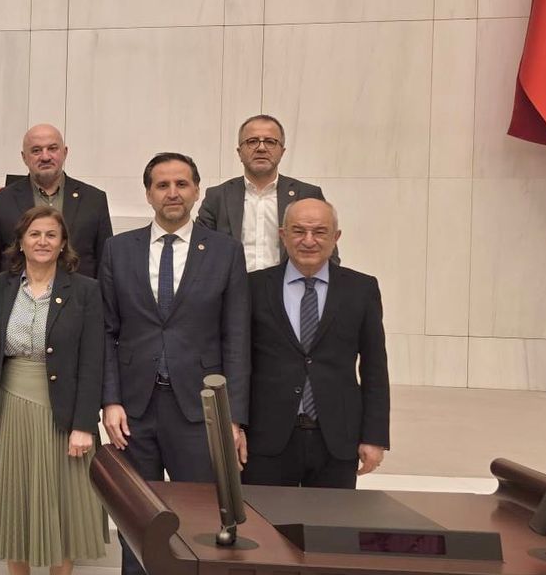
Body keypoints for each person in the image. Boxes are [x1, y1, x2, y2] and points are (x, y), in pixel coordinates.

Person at [99, 153, 250, 575]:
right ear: (148, 193)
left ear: (197, 190)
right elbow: (106, 332)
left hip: (200, 412)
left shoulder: (225, 252)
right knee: (136, 521)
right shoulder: (118, 250)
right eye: (162, 185)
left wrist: (233, 417)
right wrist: (110, 400)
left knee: (200, 521)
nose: (172, 193)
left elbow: (236, 338)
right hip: (134, 410)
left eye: (181, 184)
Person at [0, 206, 108, 575]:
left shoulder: (85, 290)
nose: (42, 241)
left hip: (63, 415)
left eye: (51, 235)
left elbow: (93, 360)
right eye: (34, 234)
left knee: (61, 507)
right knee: (16, 503)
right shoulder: (0, 286)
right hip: (12, 409)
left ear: (63, 243)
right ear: (20, 241)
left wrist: (85, 424)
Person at [241, 198, 389, 488]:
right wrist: (235, 425)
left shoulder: (361, 289)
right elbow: (239, 363)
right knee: (264, 517)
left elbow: (375, 369)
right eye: (298, 231)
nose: (308, 241)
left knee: (331, 518)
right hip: (266, 440)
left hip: (336, 440)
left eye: (320, 232)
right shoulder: (253, 287)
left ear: (336, 237)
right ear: (283, 235)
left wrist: (374, 437)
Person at [196, 114, 333, 272]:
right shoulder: (218, 197)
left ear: (282, 151)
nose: (261, 148)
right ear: (239, 152)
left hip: (287, 285)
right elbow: (200, 252)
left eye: (270, 142)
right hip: (233, 285)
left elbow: (328, 252)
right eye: (252, 141)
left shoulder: (307, 195)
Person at [0, 124, 113, 280]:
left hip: (81, 295)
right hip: (18, 294)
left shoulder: (94, 200)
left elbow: (106, 264)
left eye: (52, 148)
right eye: (36, 150)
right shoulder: (1, 202)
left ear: (65, 152)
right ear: (24, 157)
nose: (45, 157)